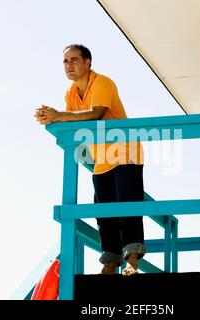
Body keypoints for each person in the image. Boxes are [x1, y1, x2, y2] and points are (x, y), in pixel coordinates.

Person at [34, 44, 145, 276]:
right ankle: (111, 261)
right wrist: (50, 118)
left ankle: (133, 260)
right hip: (101, 159)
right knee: (104, 211)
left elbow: (96, 114)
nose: (69, 65)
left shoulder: (103, 82)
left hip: (125, 151)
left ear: (88, 63)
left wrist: (59, 115)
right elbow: (72, 121)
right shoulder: (70, 93)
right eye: (65, 61)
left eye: (74, 60)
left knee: (128, 205)